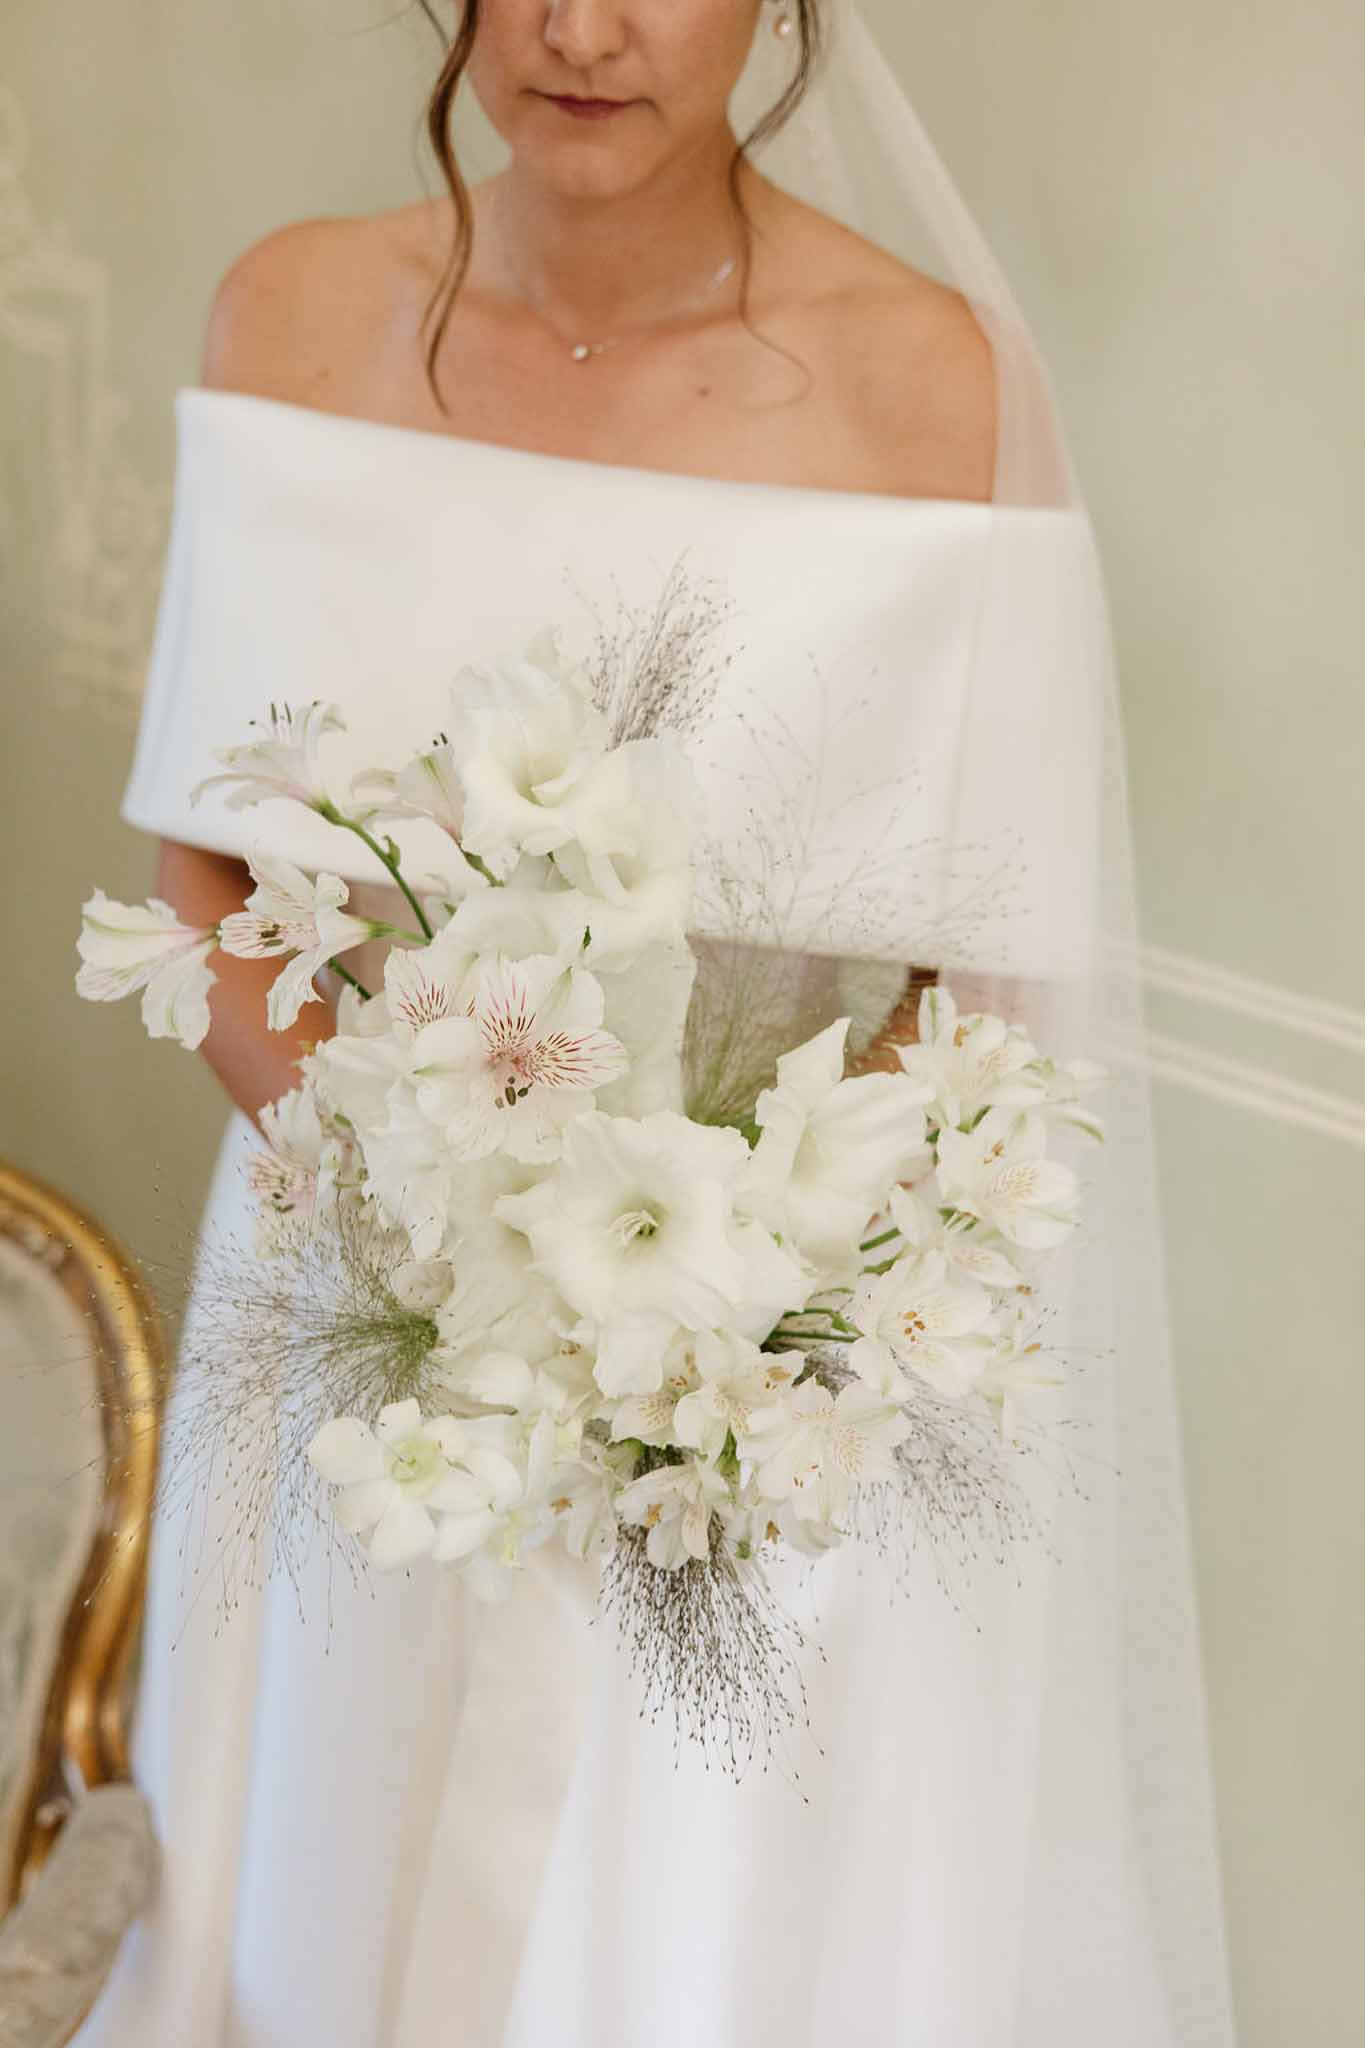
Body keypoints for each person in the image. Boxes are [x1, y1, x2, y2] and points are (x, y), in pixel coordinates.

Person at [80, 2, 1236, 2043]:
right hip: (362, 1293)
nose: (580, 28)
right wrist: (443, 1222)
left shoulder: (928, 385)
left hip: (755, 1368)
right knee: (316, 1905)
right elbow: (205, 881)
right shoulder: (295, 313)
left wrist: (719, 1312)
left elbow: (987, 986)